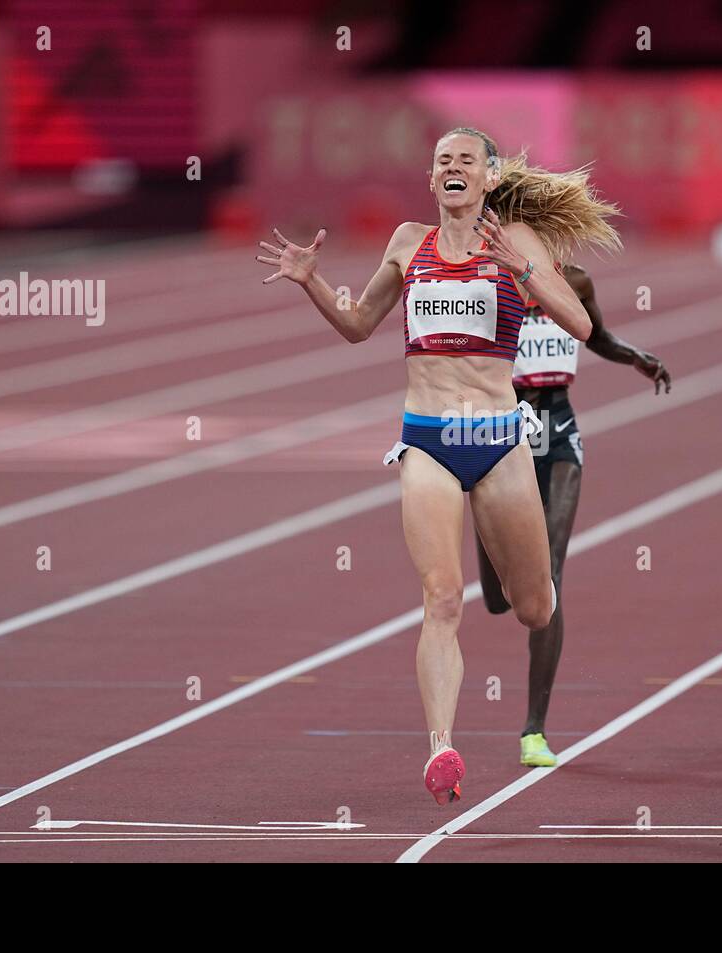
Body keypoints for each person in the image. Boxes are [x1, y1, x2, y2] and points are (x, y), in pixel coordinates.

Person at [256, 127, 620, 800]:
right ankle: (442, 747)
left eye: (467, 161)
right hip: (426, 439)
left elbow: (582, 326)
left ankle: (515, 583)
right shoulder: (406, 242)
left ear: (488, 179)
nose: (453, 168)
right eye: (443, 161)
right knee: (442, 596)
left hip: (500, 440)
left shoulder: (518, 244)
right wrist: (312, 284)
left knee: (535, 607)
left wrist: (524, 268)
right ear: (433, 181)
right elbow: (359, 324)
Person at [475, 254, 670, 767]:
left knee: (551, 576)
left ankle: (533, 731)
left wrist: (633, 356)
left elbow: (595, 335)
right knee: (500, 600)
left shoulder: (574, 279)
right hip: (501, 431)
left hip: (559, 429)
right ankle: (485, 528)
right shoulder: (486, 274)